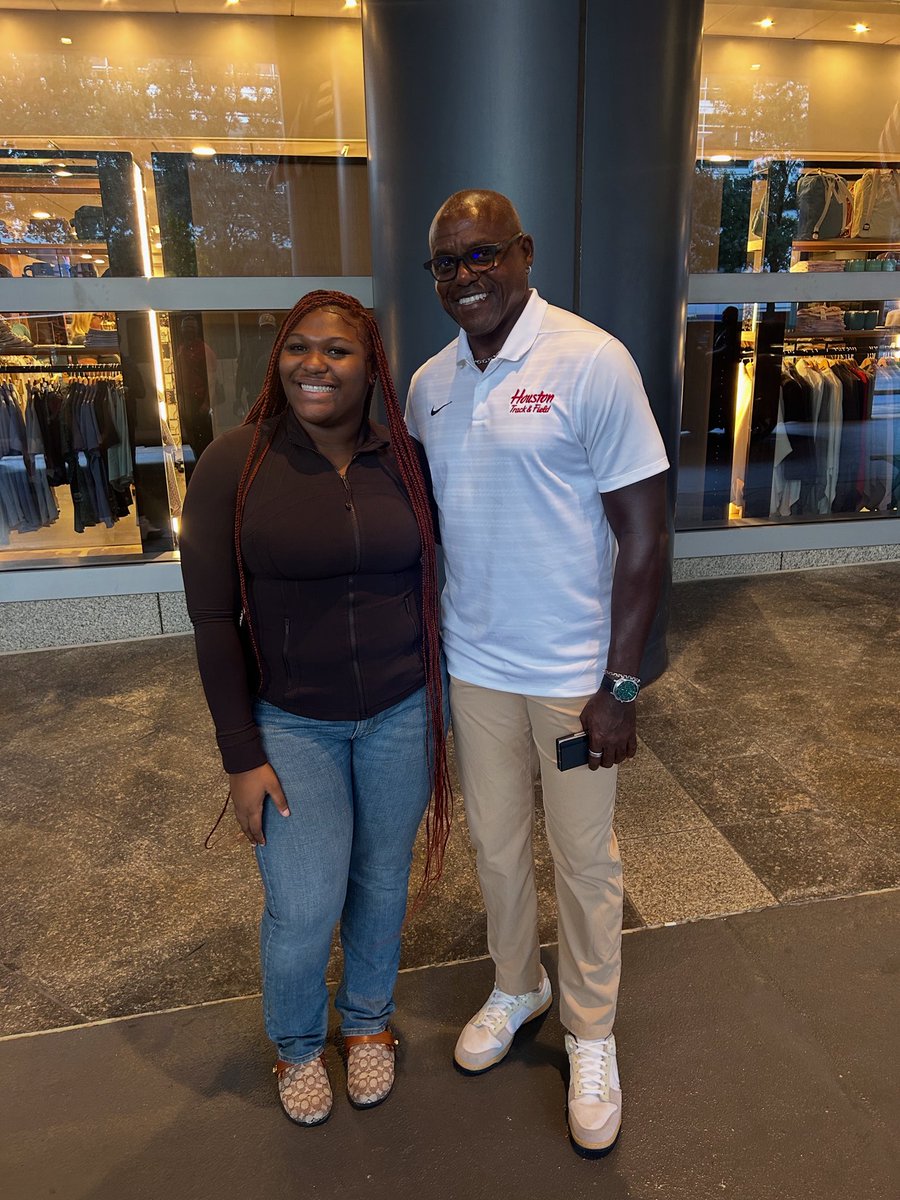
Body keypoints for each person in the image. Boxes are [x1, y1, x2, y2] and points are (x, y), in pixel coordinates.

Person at [406, 190, 669, 1155]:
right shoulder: (429, 386)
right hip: (476, 664)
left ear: (523, 253)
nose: (465, 277)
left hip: (571, 674)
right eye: (446, 264)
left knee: (586, 860)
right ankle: (519, 985)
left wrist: (621, 686)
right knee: (497, 845)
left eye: (482, 255)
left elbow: (644, 538)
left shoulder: (591, 361)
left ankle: (591, 1032)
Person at [180, 290, 451, 1127]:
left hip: (403, 712)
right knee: (303, 904)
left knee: (381, 881)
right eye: (299, 347)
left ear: (371, 368)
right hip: (291, 724)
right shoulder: (235, 463)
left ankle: (367, 1023)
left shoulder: (406, 460)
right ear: (278, 359)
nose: (315, 364)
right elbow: (214, 619)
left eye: (337, 350)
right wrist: (240, 753)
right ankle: (297, 1044)